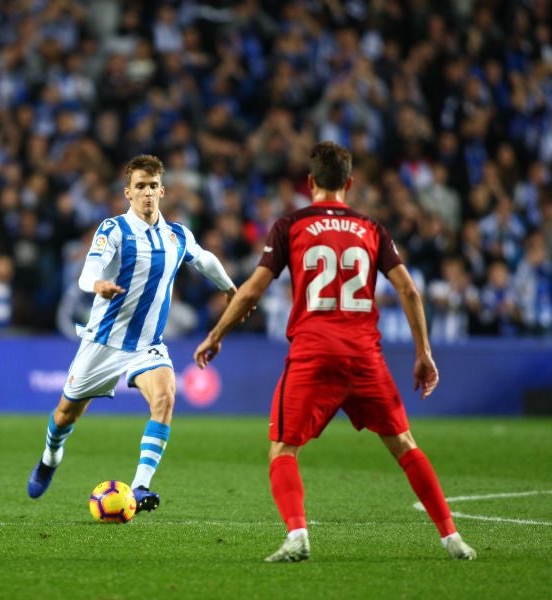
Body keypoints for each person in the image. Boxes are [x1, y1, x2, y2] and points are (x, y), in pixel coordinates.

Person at [193, 142, 477, 561]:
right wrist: (424, 353)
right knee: (404, 443)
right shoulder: (372, 228)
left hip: (314, 353)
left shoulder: (291, 225)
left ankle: (297, 536)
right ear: (349, 182)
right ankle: (452, 537)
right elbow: (409, 290)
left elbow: (253, 289)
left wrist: (217, 333)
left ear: (310, 183)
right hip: (364, 356)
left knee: (283, 449)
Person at [27, 154, 237, 512]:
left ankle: (140, 487)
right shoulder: (114, 230)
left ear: (163, 190)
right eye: (140, 186)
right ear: (128, 192)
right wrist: (98, 285)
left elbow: (204, 260)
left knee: (165, 398)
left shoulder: (176, 235)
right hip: (104, 342)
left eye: (153, 186)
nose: (148, 193)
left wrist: (234, 291)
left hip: (147, 345)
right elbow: (86, 270)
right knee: (65, 415)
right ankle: (50, 457)